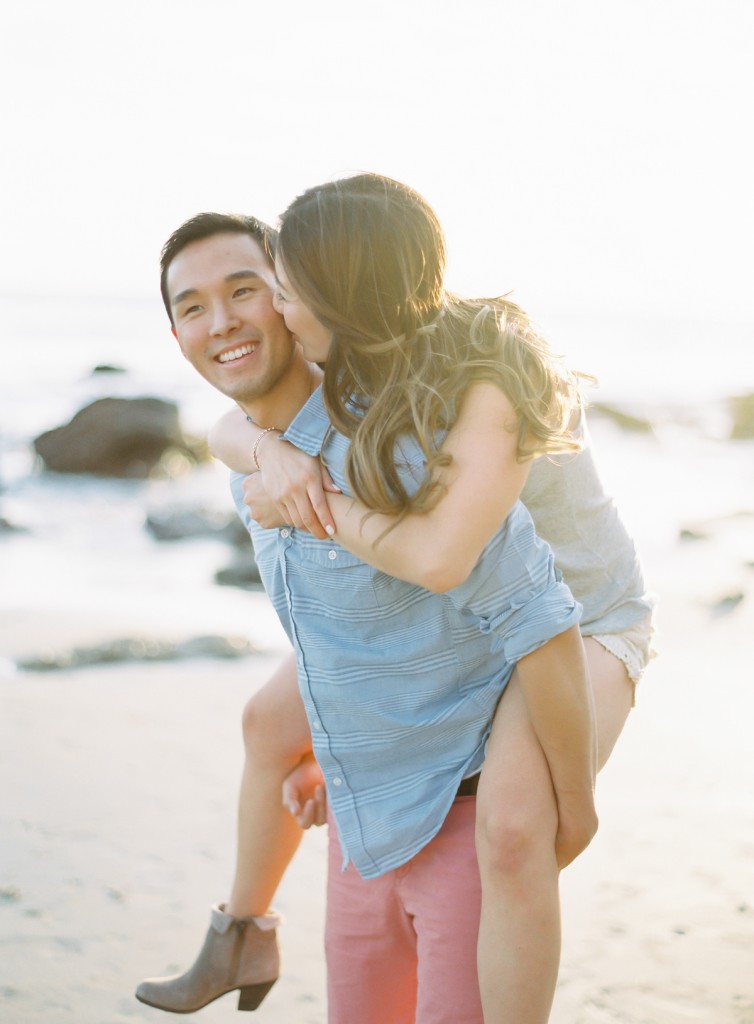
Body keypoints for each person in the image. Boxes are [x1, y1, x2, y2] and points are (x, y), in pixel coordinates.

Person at [136, 186, 653, 1022]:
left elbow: (452, 564)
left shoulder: (471, 385)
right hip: (492, 606)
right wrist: (266, 451)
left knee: (520, 829)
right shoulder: (348, 361)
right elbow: (229, 428)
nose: (261, 313)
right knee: (272, 724)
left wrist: (307, 500)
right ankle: (241, 931)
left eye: (273, 290)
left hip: (582, 613)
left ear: (331, 292)